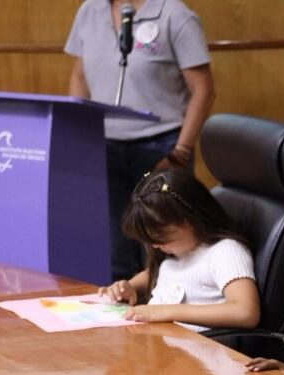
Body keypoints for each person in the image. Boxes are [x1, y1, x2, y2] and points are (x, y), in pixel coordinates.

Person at [65, 0, 216, 281]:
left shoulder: (174, 14)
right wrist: (80, 134)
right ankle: (121, 316)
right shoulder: (89, 11)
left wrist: (180, 151)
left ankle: (167, 314)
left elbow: (203, 90)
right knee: (113, 246)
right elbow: (79, 75)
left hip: (161, 148)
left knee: (163, 246)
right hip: (104, 147)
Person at [99, 169, 260, 332]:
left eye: (160, 237)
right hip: (157, 344)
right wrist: (130, 287)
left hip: (194, 351)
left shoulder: (225, 251)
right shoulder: (177, 250)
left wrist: (166, 311)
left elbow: (245, 313)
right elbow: (157, 273)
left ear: (189, 220)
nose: (155, 245)